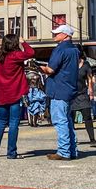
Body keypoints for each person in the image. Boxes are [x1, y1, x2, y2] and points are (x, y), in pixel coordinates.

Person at [0, 34, 34, 158]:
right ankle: (11, 152)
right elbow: (31, 52)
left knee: (1, 122)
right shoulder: (15, 56)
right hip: (15, 92)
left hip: (2, 93)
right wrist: (23, 43)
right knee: (14, 123)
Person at [40, 24, 79, 160]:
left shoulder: (60, 49)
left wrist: (39, 67)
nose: (55, 35)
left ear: (65, 35)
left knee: (60, 121)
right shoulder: (74, 50)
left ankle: (63, 151)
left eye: (58, 33)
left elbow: (51, 70)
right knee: (68, 121)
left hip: (58, 89)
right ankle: (72, 150)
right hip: (69, 88)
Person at [71, 51, 96, 147]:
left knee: (87, 117)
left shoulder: (86, 65)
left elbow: (90, 79)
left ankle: (92, 139)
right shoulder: (70, 64)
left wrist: (91, 93)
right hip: (71, 95)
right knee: (70, 118)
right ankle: (72, 139)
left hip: (82, 94)